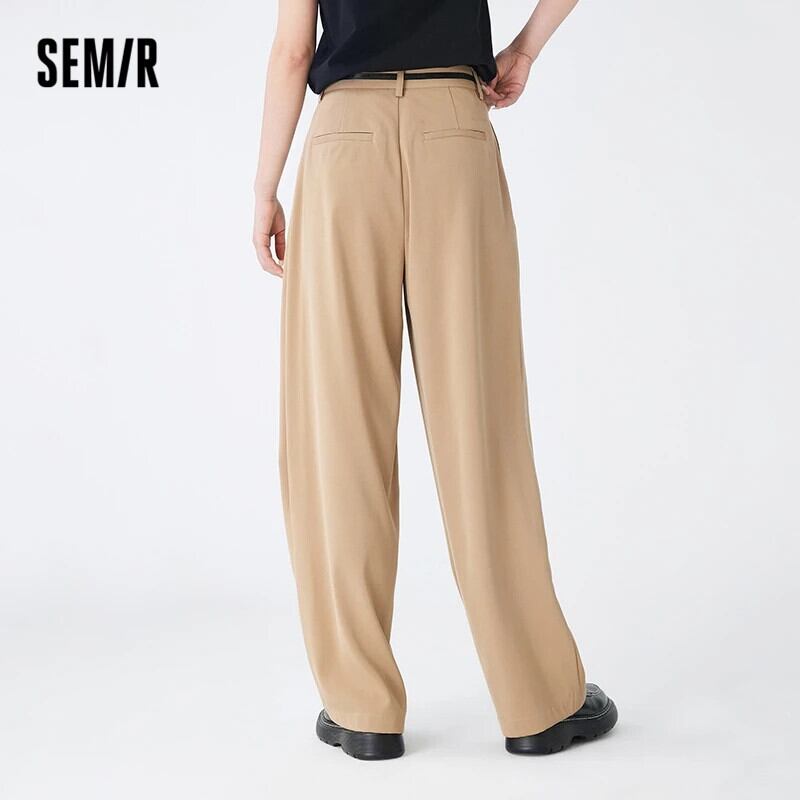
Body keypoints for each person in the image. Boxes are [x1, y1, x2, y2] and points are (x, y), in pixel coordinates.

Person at [253, 0, 617, 760]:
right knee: (479, 421)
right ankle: (538, 701)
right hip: (455, 128)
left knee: (337, 427)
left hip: (344, 140)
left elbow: (292, 52)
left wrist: (265, 188)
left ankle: (361, 706)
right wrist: (524, 49)